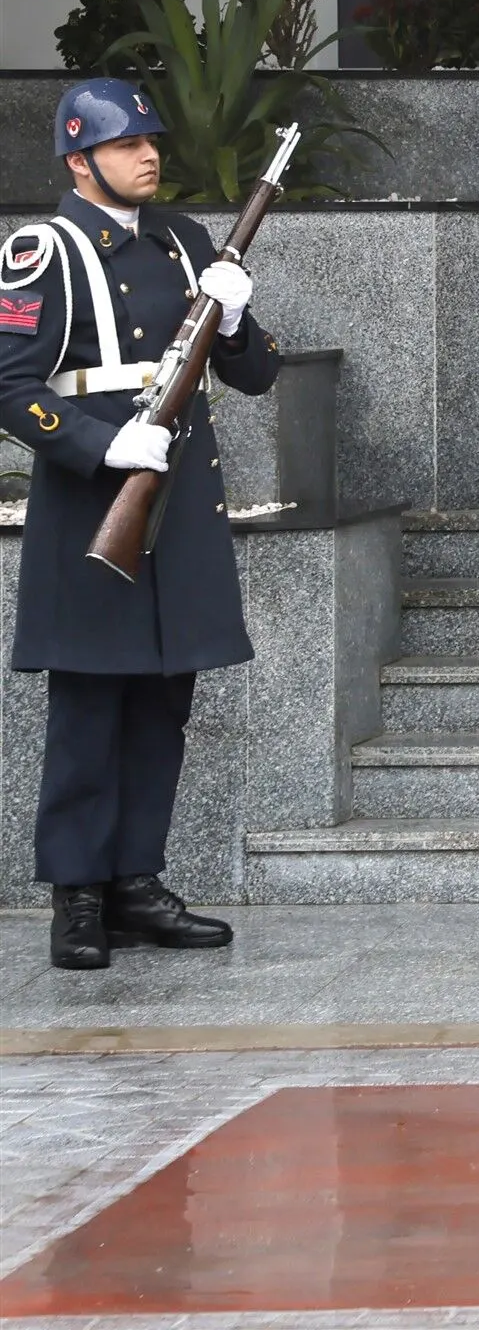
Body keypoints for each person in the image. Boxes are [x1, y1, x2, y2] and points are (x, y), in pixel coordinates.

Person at [0, 79, 280, 971]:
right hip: (97, 505)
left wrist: (232, 319)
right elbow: (11, 387)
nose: (147, 155)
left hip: (180, 507)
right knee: (89, 704)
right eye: (126, 146)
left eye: (151, 140)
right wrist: (96, 445)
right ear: (81, 161)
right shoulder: (44, 250)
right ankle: (77, 895)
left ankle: (137, 882)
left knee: (163, 700)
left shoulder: (184, 239)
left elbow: (255, 373)